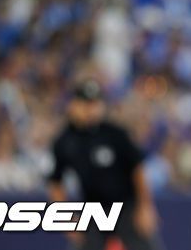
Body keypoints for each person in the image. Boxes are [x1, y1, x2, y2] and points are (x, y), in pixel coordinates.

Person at [47, 78, 163, 250]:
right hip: (93, 211)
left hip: (127, 207)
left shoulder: (115, 134)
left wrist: (145, 206)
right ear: (74, 105)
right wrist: (67, 220)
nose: (91, 110)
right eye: (85, 103)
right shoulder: (65, 141)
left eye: (95, 104)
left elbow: (137, 169)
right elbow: (55, 182)